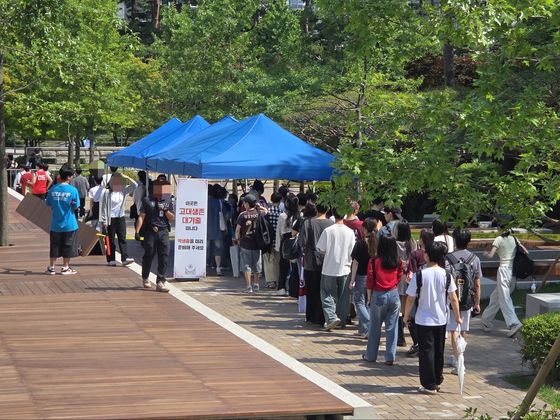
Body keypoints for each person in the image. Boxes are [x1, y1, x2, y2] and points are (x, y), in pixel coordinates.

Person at [404, 242, 461, 395]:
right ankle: (437, 379)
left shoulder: (420, 275)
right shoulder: (446, 275)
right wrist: (457, 316)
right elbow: (453, 298)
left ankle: (429, 384)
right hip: (441, 319)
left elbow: (410, 298)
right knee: (438, 350)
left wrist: (406, 315)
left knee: (426, 352)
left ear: (428, 256)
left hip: (423, 319)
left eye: (425, 252)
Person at [446, 227, 481, 374]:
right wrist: (477, 302)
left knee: (453, 329)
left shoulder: (448, 258)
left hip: (451, 299)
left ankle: (457, 361)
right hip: (467, 299)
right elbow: (477, 283)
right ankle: (459, 358)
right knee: (463, 329)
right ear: (469, 241)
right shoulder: (475, 259)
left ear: (455, 240)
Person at [363, 235, 402, 364]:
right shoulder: (397, 261)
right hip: (394, 294)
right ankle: (390, 356)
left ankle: (371, 355)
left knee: (375, 327)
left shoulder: (374, 261)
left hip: (378, 294)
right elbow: (399, 276)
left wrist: (369, 298)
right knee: (392, 327)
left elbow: (369, 281)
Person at [480, 224, 523, 338]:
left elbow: (490, 255)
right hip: (513, 271)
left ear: (500, 228)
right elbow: (525, 251)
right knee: (496, 296)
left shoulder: (498, 239)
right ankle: (486, 320)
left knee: (504, 298)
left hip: (503, 270)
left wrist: (486, 254)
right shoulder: (514, 239)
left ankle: (514, 323)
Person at [316, 208, 355, 331]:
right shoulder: (350, 232)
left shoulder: (328, 231)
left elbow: (320, 249)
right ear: (344, 216)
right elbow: (352, 251)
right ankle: (342, 320)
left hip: (329, 267)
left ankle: (331, 317)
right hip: (345, 267)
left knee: (326, 293)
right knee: (343, 296)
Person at [135, 180, 175, 292]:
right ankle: (145, 277)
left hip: (164, 231)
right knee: (149, 254)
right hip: (151, 231)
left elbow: (172, 217)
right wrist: (137, 231)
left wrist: (165, 209)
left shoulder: (168, 200)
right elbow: (141, 216)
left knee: (164, 256)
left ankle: (160, 281)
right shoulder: (147, 200)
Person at [300, 202, 334, 326]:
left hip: (310, 261)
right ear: (327, 209)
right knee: (324, 290)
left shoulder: (308, 223)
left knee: (311, 290)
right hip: (326, 262)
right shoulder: (331, 224)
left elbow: (302, 242)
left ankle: (311, 317)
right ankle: (321, 317)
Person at [45, 166, 80, 275]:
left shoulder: (53, 189)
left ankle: (52, 267)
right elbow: (76, 206)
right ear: (68, 177)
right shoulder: (73, 190)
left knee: (54, 246)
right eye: (72, 176)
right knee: (68, 245)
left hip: (55, 224)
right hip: (70, 224)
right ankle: (65, 267)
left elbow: (48, 203)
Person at [405, 228, 435, 357]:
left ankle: (417, 343)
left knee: (412, 318)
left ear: (421, 240)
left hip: (418, 290)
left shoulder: (416, 254)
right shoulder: (436, 254)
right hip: (434, 291)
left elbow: (410, 275)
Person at [99, 172, 137, 266]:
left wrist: (127, 177)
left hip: (120, 217)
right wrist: (104, 221)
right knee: (111, 239)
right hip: (110, 218)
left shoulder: (123, 190)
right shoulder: (106, 192)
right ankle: (111, 259)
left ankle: (125, 258)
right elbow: (103, 207)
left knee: (122, 238)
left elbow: (135, 185)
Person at [350, 217, 378, 338]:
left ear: (365, 229)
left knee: (359, 302)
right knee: (367, 302)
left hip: (361, 276)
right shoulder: (377, 243)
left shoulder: (360, 243)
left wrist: (352, 279)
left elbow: (355, 263)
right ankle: (363, 330)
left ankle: (369, 324)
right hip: (374, 276)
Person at [235, 193, 266, 293]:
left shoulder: (242, 215)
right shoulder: (259, 213)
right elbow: (266, 211)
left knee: (247, 265)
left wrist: (238, 239)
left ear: (247, 204)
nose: (243, 204)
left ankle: (249, 286)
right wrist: (259, 207)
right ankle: (256, 285)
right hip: (257, 243)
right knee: (257, 264)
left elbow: (237, 230)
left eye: (244, 203)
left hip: (245, 243)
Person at [395, 220, 418, 347]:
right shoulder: (412, 243)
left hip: (398, 276)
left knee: (399, 304)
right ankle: (407, 326)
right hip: (410, 276)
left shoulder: (395, 243)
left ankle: (400, 335)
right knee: (407, 303)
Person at [275, 194, 300, 296]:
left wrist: (277, 246)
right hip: (296, 241)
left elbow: (278, 232)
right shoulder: (300, 216)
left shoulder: (282, 216)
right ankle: (294, 289)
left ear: (287, 203)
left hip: (285, 241)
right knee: (295, 267)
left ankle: (281, 288)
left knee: (283, 266)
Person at [263, 192, 282, 289]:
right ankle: (277, 280)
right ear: (280, 200)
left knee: (268, 261)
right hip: (278, 241)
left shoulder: (267, 212)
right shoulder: (282, 213)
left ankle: (270, 281)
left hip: (268, 241)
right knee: (277, 262)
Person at [207, 184, 226, 276]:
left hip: (205, 231)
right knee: (218, 249)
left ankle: (203, 268)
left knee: (204, 249)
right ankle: (218, 268)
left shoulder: (203, 201)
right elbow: (225, 215)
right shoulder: (219, 202)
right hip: (217, 230)